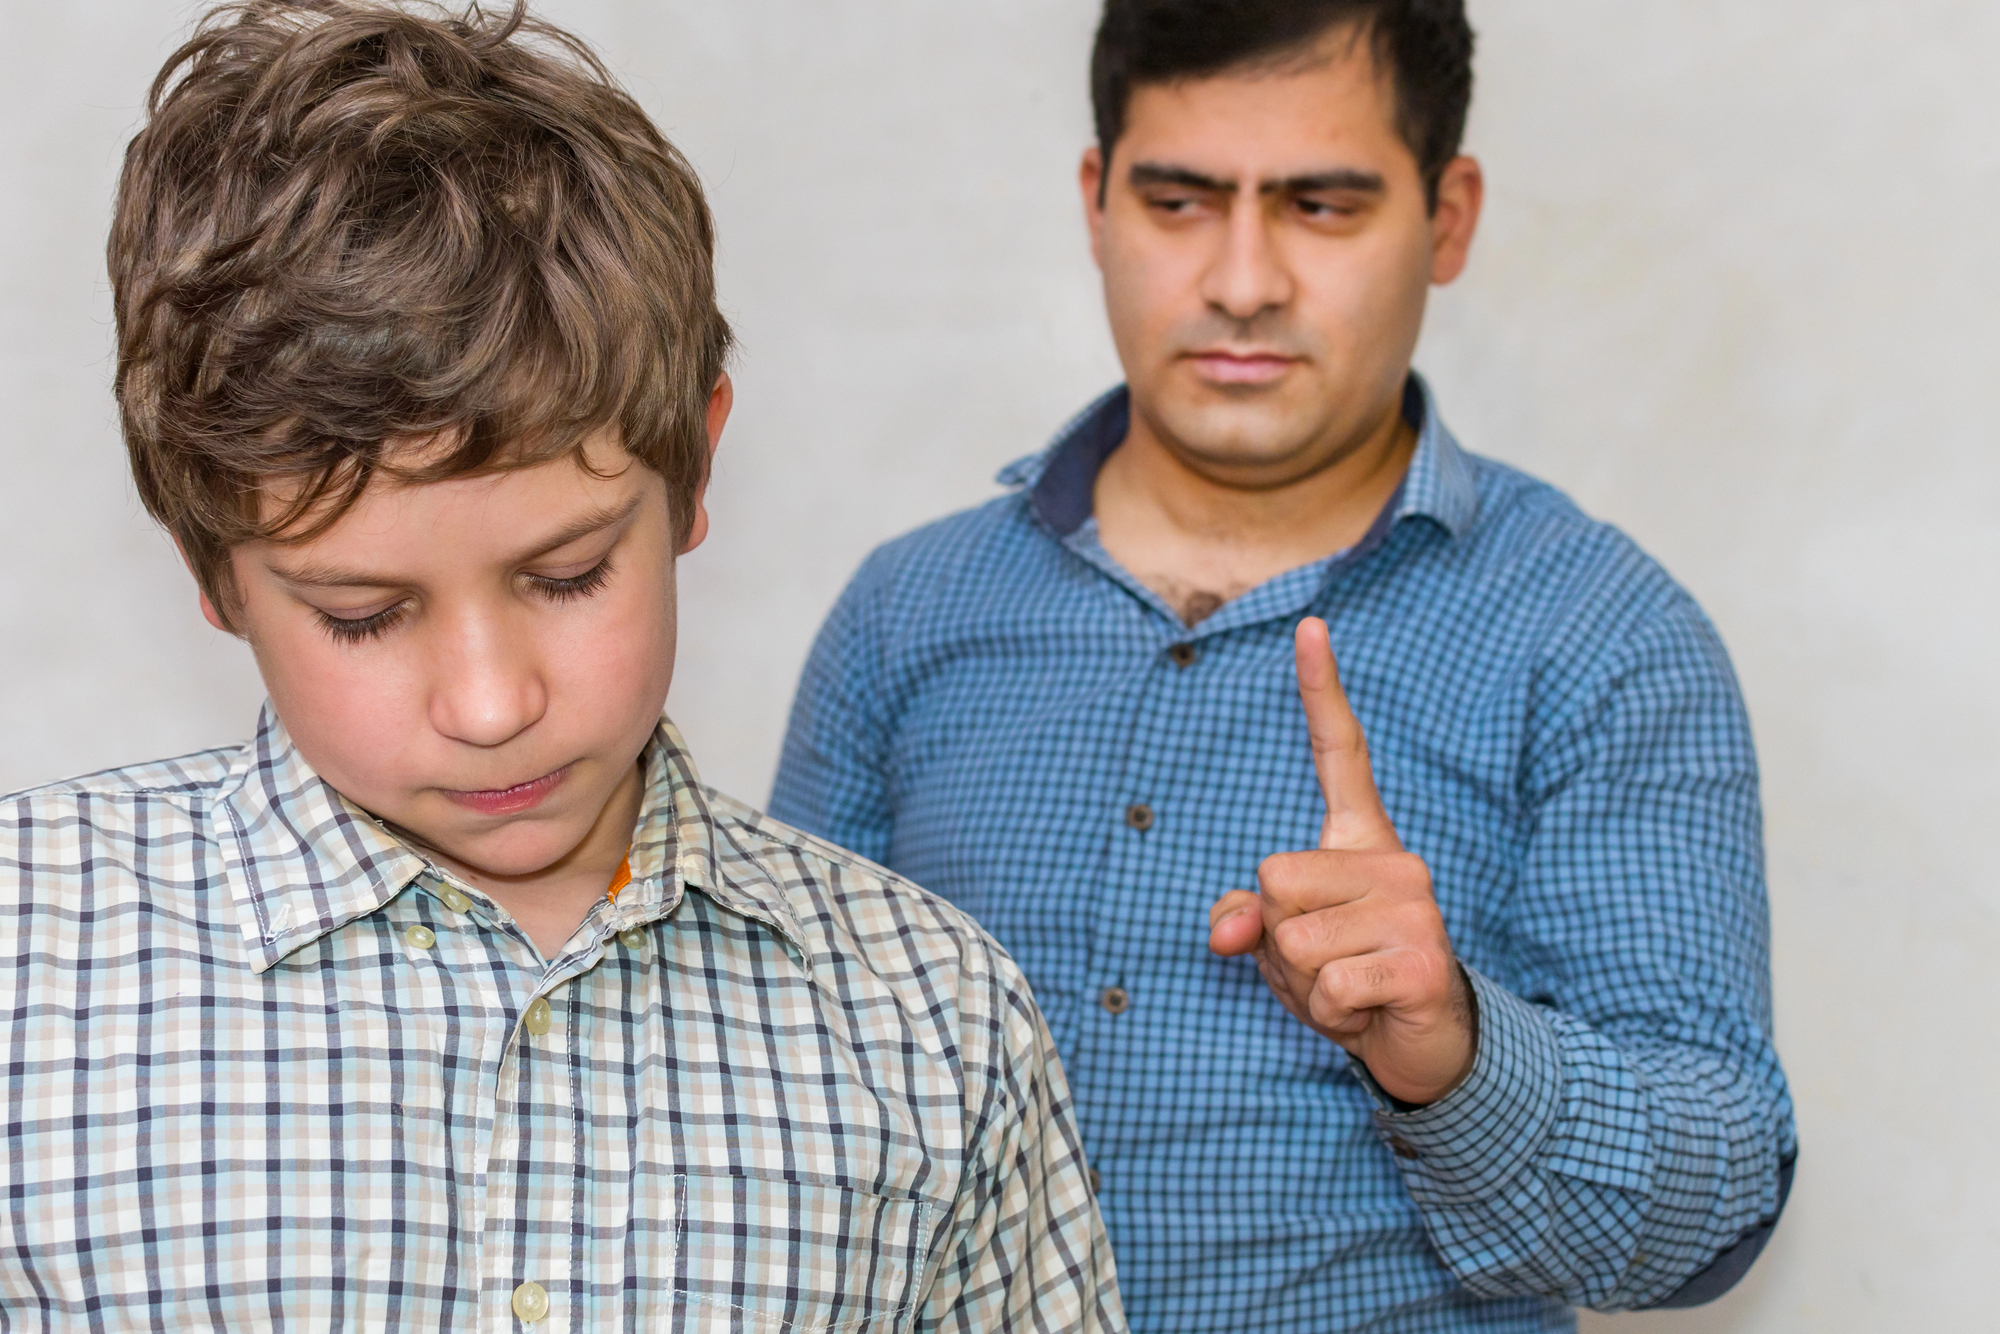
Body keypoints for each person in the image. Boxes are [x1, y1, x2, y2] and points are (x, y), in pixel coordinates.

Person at [0, 3, 1124, 1328]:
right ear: (210, 566)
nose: (494, 705)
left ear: (693, 468)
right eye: (363, 613)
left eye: (568, 573)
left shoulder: (936, 1022)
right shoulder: (27, 965)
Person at [771, 1, 1796, 1329]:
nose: (1242, 279)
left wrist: (1458, 1053)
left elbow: (1716, 1213)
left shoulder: (1599, 633)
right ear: (1096, 203)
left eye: (1321, 207)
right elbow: (767, 1098)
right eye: (1181, 201)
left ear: (1449, 217)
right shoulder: (908, 614)